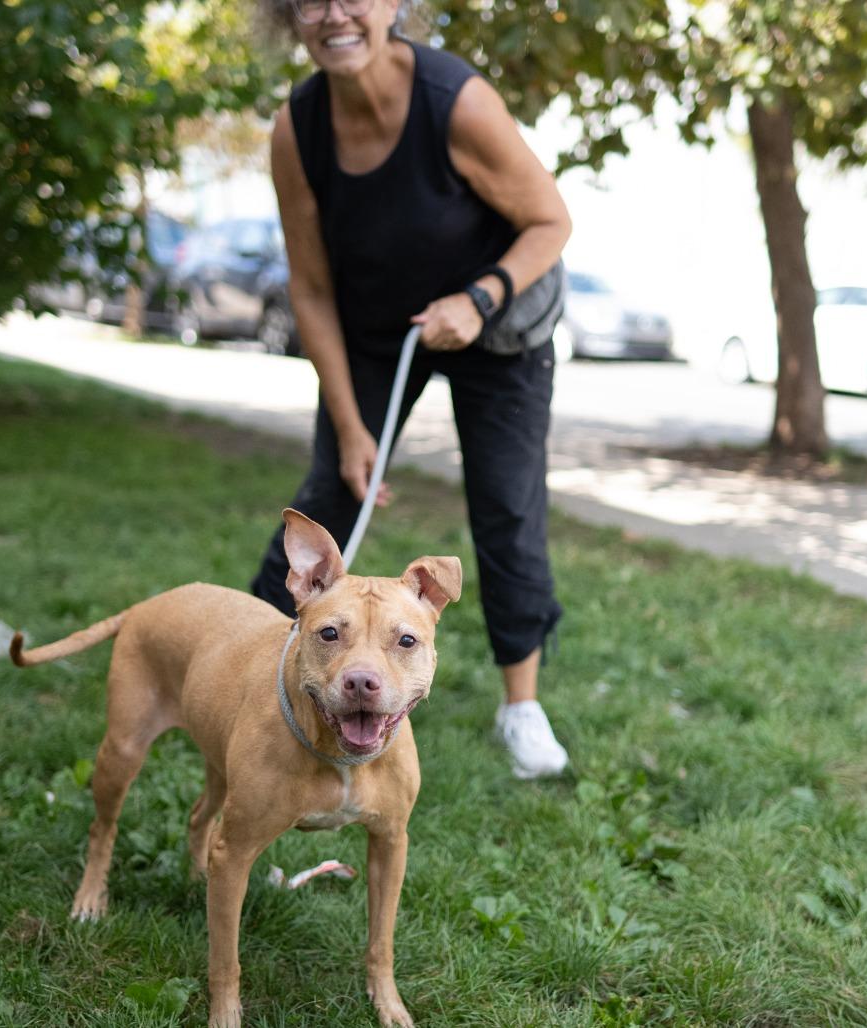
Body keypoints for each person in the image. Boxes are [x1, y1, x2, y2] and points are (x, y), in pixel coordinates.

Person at [251, 0, 573, 779]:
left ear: (392, 4)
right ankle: (256, 676)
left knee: (505, 505)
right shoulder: (299, 126)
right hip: (380, 326)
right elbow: (312, 286)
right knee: (333, 490)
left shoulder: (454, 101)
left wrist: (481, 297)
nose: (333, 16)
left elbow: (549, 220)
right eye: (309, 1)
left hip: (497, 324)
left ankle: (520, 707)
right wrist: (351, 422)